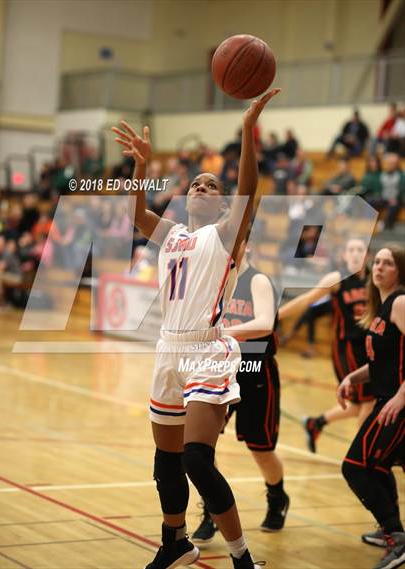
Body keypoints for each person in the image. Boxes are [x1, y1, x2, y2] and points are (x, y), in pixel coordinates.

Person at [112, 87, 280, 569]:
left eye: (211, 185)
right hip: (168, 350)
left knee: (196, 460)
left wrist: (247, 131)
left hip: (207, 350)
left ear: (224, 204)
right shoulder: (175, 233)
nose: (202, 188)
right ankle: (176, 543)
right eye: (196, 185)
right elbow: (137, 215)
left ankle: (242, 557)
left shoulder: (224, 234)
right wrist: (141, 167)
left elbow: (246, 188)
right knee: (164, 460)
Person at [192, 239, 289, 546]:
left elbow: (265, 323)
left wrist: (223, 332)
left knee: (260, 449)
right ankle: (213, 509)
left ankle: (277, 495)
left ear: (246, 245)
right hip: (220, 369)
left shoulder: (257, 280)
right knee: (199, 447)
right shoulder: (213, 282)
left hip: (255, 371)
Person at [337, 245, 405, 569]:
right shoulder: (382, 306)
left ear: (399, 270)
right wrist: (353, 376)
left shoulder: (401, 302)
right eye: (376, 261)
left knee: (355, 466)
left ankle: (397, 536)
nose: (379, 267)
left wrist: (401, 397)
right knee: (379, 466)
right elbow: (382, 362)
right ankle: (391, 530)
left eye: (388, 263)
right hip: (386, 398)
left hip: (397, 404)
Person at [278, 238, 375, 452]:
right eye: (351, 249)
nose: (356, 253)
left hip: (370, 349)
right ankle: (362, 456)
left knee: (359, 404)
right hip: (347, 349)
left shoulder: (373, 280)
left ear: (367, 255)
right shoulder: (337, 279)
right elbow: (307, 299)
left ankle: (316, 423)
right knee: (369, 401)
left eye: (360, 249)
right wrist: (276, 316)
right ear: (344, 255)